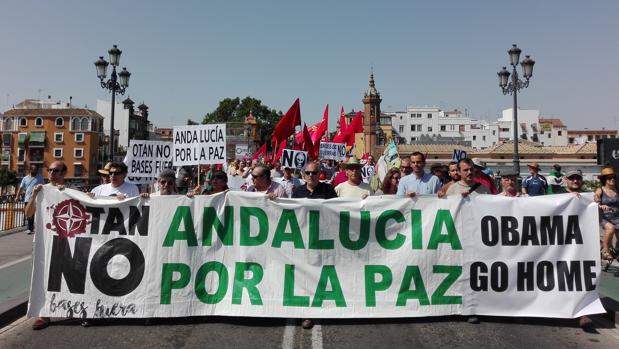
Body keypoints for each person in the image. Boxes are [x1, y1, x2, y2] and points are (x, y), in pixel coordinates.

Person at [25, 161, 67, 330]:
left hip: (65, 242)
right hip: (43, 242)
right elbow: (28, 213)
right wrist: (34, 196)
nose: (51, 173)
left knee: (67, 276)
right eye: (49, 170)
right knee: (41, 276)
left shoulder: (71, 192)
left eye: (56, 170)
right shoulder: (41, 190)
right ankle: (44, 314)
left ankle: (74, 306)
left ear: (63, 173)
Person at [594, 167, 619, 262]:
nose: (612, 179)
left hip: (617, 217)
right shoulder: (601, 189)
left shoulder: (617, 189)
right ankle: (605, 250)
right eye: (609, 178)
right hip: (604, 217)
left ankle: (616, 249)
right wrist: (600, 203)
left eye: (614, 178)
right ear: (605, 179)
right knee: (610, 228)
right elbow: (596, 197)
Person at [15, 164, 44, 234]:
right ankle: (30, 228)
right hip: (27, 199)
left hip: (38, 199)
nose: (36, 171)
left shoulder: (40, 178)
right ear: (30, 170)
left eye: (36, 169)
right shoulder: (25, 178)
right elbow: (21, 188)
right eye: (34, 169)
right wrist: (17, 197)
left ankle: (31, 228)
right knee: (29, 214)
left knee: (36, 214)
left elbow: (44, 188)